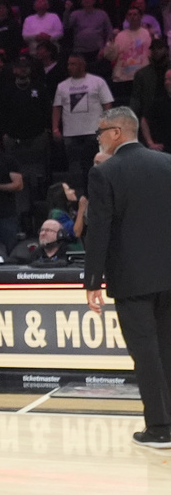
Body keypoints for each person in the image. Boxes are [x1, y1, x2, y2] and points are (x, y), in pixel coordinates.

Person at [86, 107, 171, 449]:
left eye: (100, 132)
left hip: (132, 279)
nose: (99, 138)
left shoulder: (106, 172)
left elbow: (99, 232)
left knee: (146, 353)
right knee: (167, 349)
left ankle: (160, 427)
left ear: (117, 133)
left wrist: (92, 280)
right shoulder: (167, 164)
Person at [53, 54, 114, 191]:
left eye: (73, 64)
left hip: (92, 131)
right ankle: (78, 195)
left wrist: (105, 124)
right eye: (68, 64)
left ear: (82, 65)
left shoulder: (97, 82)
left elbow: (107, 103)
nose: (69, 67)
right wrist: (55, 128)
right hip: (71, 133)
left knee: (94, 165)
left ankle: (96, 192)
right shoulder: (62, 86)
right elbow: (57, 107)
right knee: (74, 168)